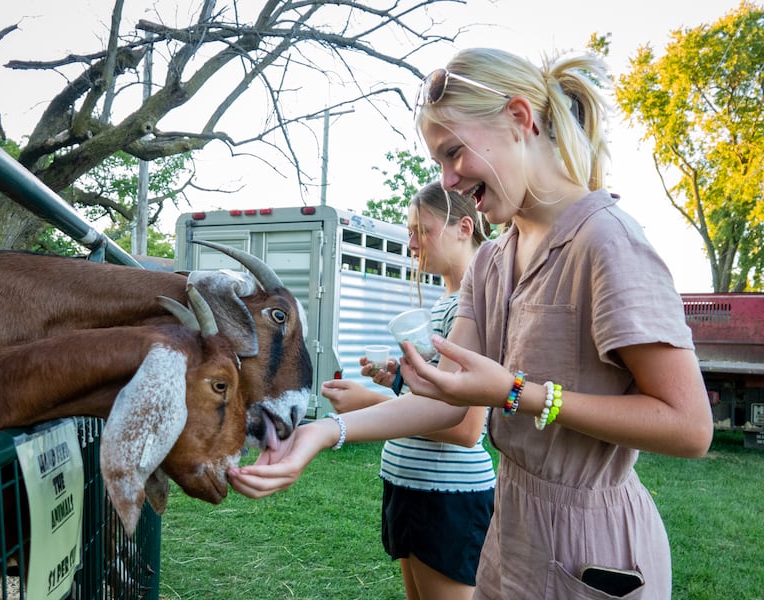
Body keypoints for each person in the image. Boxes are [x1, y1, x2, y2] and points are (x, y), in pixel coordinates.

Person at [229, 48, 714, 599]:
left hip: (594, 548)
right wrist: (323, 432)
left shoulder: (608, 242)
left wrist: (517, 394)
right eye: (440, 161)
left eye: (454, 153)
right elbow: (450, 400)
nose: (450, 180)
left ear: (519, 118)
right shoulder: (492, 259)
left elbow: (690, 428)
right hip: (509, 533)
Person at [322, 181, 495, 600]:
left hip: (448, 495)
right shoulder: (445, 303)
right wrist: (399, 377)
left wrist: (371, 400)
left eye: (423, 230)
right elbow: (436, 392)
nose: (412, 244)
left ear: (463, 227)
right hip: (409, 483)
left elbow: (467, 428)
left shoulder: (474, 306)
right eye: (409, 232)